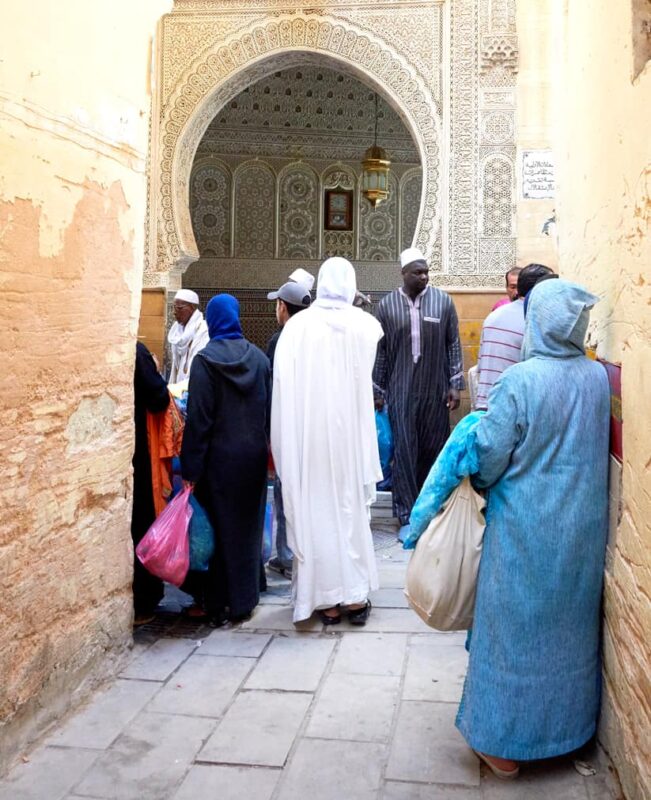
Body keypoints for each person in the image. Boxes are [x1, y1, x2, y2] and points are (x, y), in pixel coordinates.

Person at [456, 279, 610, 779]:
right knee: (566, 633)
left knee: (511, 634)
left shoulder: (519, 381)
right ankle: (565, 733)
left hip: (523, 533)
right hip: (581, 536)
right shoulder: (596, 380)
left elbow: (489, 458)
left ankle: (503, 744)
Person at [271, 257, 383, 625]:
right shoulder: (365, 325)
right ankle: (353, 598)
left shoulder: (298, 327)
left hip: (311, 439)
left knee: (316, 511)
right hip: (349, 439)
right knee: (349, 513)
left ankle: (325, 601)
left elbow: (284, 389)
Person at [181, 294, 271, 626]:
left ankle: (217, 603)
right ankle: (245, 600)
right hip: (253, 458)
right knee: (247, 528)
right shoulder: (260, 359)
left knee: (218, 531)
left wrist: (190, 467)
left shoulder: (205, 362)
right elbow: (268, 414)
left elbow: (199, 420)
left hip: (218, 462)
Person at [373, 247, 464, 540]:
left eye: (426, 272)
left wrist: (455, 384)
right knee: (404, 451)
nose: (424, 276)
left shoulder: (443, 302)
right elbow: (382, 352)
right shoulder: (387, 306)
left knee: (433, 449)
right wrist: (378, 390)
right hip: (400, 391)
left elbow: (453, 344)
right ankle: (406, 514)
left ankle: (431, 510)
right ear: (403, 274)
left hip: (435, 390)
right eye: (418, 272)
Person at [265, 281, 312, 579]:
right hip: (312, 429)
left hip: (286, 428)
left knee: (285, 494)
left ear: (283, 307)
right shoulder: (315, 337)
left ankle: (285, 555)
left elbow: (271, 391)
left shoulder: (279, 340)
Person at [475, 263, 556, 409]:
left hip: (486, 405)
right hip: (510, 410)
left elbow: (481, 368)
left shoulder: (493, 317)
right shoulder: (535, 320)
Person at [131, 341, 170, 625]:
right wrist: (154, 370)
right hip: (138, 452)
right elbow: (159, 397)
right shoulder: (137, 353)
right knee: (141, 520)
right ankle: (143, 600)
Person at [167, 289, 210, 384]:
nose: (174, 312)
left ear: (191, 308)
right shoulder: (177, 331)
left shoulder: (203, 330)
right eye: (174, 307)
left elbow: (199, 365)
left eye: (179, 308)